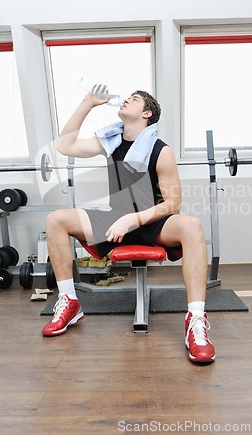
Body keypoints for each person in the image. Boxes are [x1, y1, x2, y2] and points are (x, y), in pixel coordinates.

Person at [42, 85, 216, 363]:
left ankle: (195, 321)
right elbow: (64, 146)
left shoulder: (161, 151)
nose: (125, 100)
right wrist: (87, 104)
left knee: (192, 225)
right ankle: (70, 302)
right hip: (116, 217)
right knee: (56, 220)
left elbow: (173, 205)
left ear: (146, 113)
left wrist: (133, 218)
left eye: (133, 99)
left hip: (151, 222)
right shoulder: (111, 141)